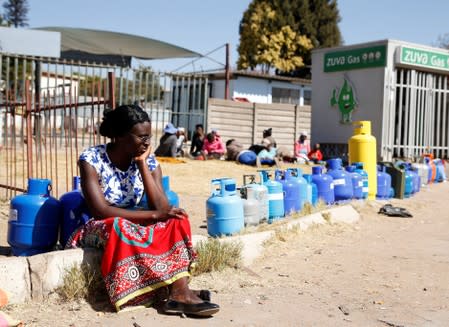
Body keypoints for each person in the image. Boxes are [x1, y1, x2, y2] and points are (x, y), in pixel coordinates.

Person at [67, 105, 219, 317]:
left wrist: (141, 164)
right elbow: (101, 210)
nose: (147, 143)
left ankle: (178, 292)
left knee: (177, 218)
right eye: (141, 137)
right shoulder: (91, 159)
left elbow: (163, 208)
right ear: (119, 136)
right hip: (100, 226)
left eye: (149, 137)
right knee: (122, 225)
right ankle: (169, 292)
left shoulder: (148, 161)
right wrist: (155, 216)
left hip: (136, 218)